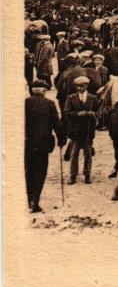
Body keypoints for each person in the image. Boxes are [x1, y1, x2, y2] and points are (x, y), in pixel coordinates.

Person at [26, 79, 66, 212]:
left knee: (29, 171)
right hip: (43, 144)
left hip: (27, 143)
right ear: (43, 90)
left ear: (32, 90)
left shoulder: (24, 103)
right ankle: (35, 201)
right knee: (40, 172)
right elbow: (57, 124)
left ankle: (29, 199)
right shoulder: (49, 104)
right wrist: (62, 138)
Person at [63, 76, 100, 184]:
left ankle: (87, 175)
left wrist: (94, 114)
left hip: (88, 131)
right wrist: (78, 114)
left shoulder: (93, 98)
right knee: (73, 154)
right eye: (77, 86)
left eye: (81, 86)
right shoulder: (70, 98)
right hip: (75, 132)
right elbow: (66, 113)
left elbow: (99, 113)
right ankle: (72, 175)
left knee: (88, 154)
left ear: (86, 86)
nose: (79, 88)